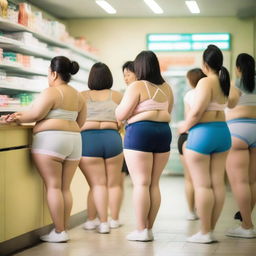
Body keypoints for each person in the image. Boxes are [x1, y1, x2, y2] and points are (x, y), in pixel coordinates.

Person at [3, 56, 86, 242]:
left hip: (51, 142)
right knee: (65, 188)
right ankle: (63, 229)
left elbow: (34, 114)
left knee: (53, 187)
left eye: (48, 73)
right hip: (74, 141)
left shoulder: (52, 92)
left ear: (54, 73)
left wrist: (15, 118)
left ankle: (59, 232)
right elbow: (80, 122)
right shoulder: (78, 95)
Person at [116, 50, 173, 242]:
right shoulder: (167, 88)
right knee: (154, 183)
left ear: (139, 67)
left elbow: (120, 114)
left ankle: (141, 230)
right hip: (163, 133)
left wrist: (136, 116)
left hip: (139, 133)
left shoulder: (137, 85)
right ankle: (149, 228)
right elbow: (167, 112)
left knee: (141, 183)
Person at [179, 44, 231, 244]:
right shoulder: (225, 81)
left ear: (204, 63)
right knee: (217, 183)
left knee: (202, 185)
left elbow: (197, 110)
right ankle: (210, 230)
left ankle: (204, 232)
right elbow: (232, 102)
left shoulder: (205, 82)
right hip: (222, 132)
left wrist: (185, 125)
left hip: (202, 134)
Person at [80, 62, 123, 234]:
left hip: (88, 140)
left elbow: (76, 120)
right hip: (112, 138)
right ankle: (113, 220)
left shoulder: (81, 95)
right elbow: (121, 122)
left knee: (96, 185)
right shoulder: (118, 96)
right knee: (113, 184)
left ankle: (96, 222)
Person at [225, 53, 256, 238]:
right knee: (252, 181)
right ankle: (246, 221)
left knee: (240, 182)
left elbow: (225, 107)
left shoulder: (233, 85)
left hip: (237, 131)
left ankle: (247, 226)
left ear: (238, 68)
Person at [177, 68, 206, 221]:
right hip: (206, 135)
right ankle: (203, 210)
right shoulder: (212, 93)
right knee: (203, 179)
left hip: (188, 136)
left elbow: (189, 117)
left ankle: (191, 211)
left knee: (189, 178)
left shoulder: (189, 94)